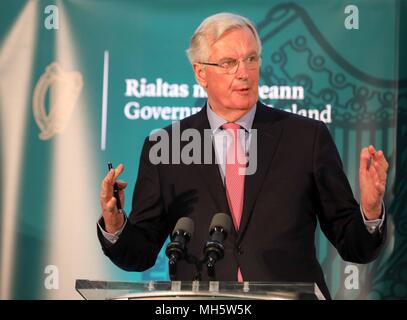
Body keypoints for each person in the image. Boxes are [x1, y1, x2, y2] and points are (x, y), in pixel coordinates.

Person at [97, 13, 388, 299]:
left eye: (251, 59)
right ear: (201, 73)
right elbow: (139, 254)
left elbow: (355, 246)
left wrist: (371, 212)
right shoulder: (165, 146)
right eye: (228, 63)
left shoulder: (306, 138)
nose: (243, 72)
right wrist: (115, 225)